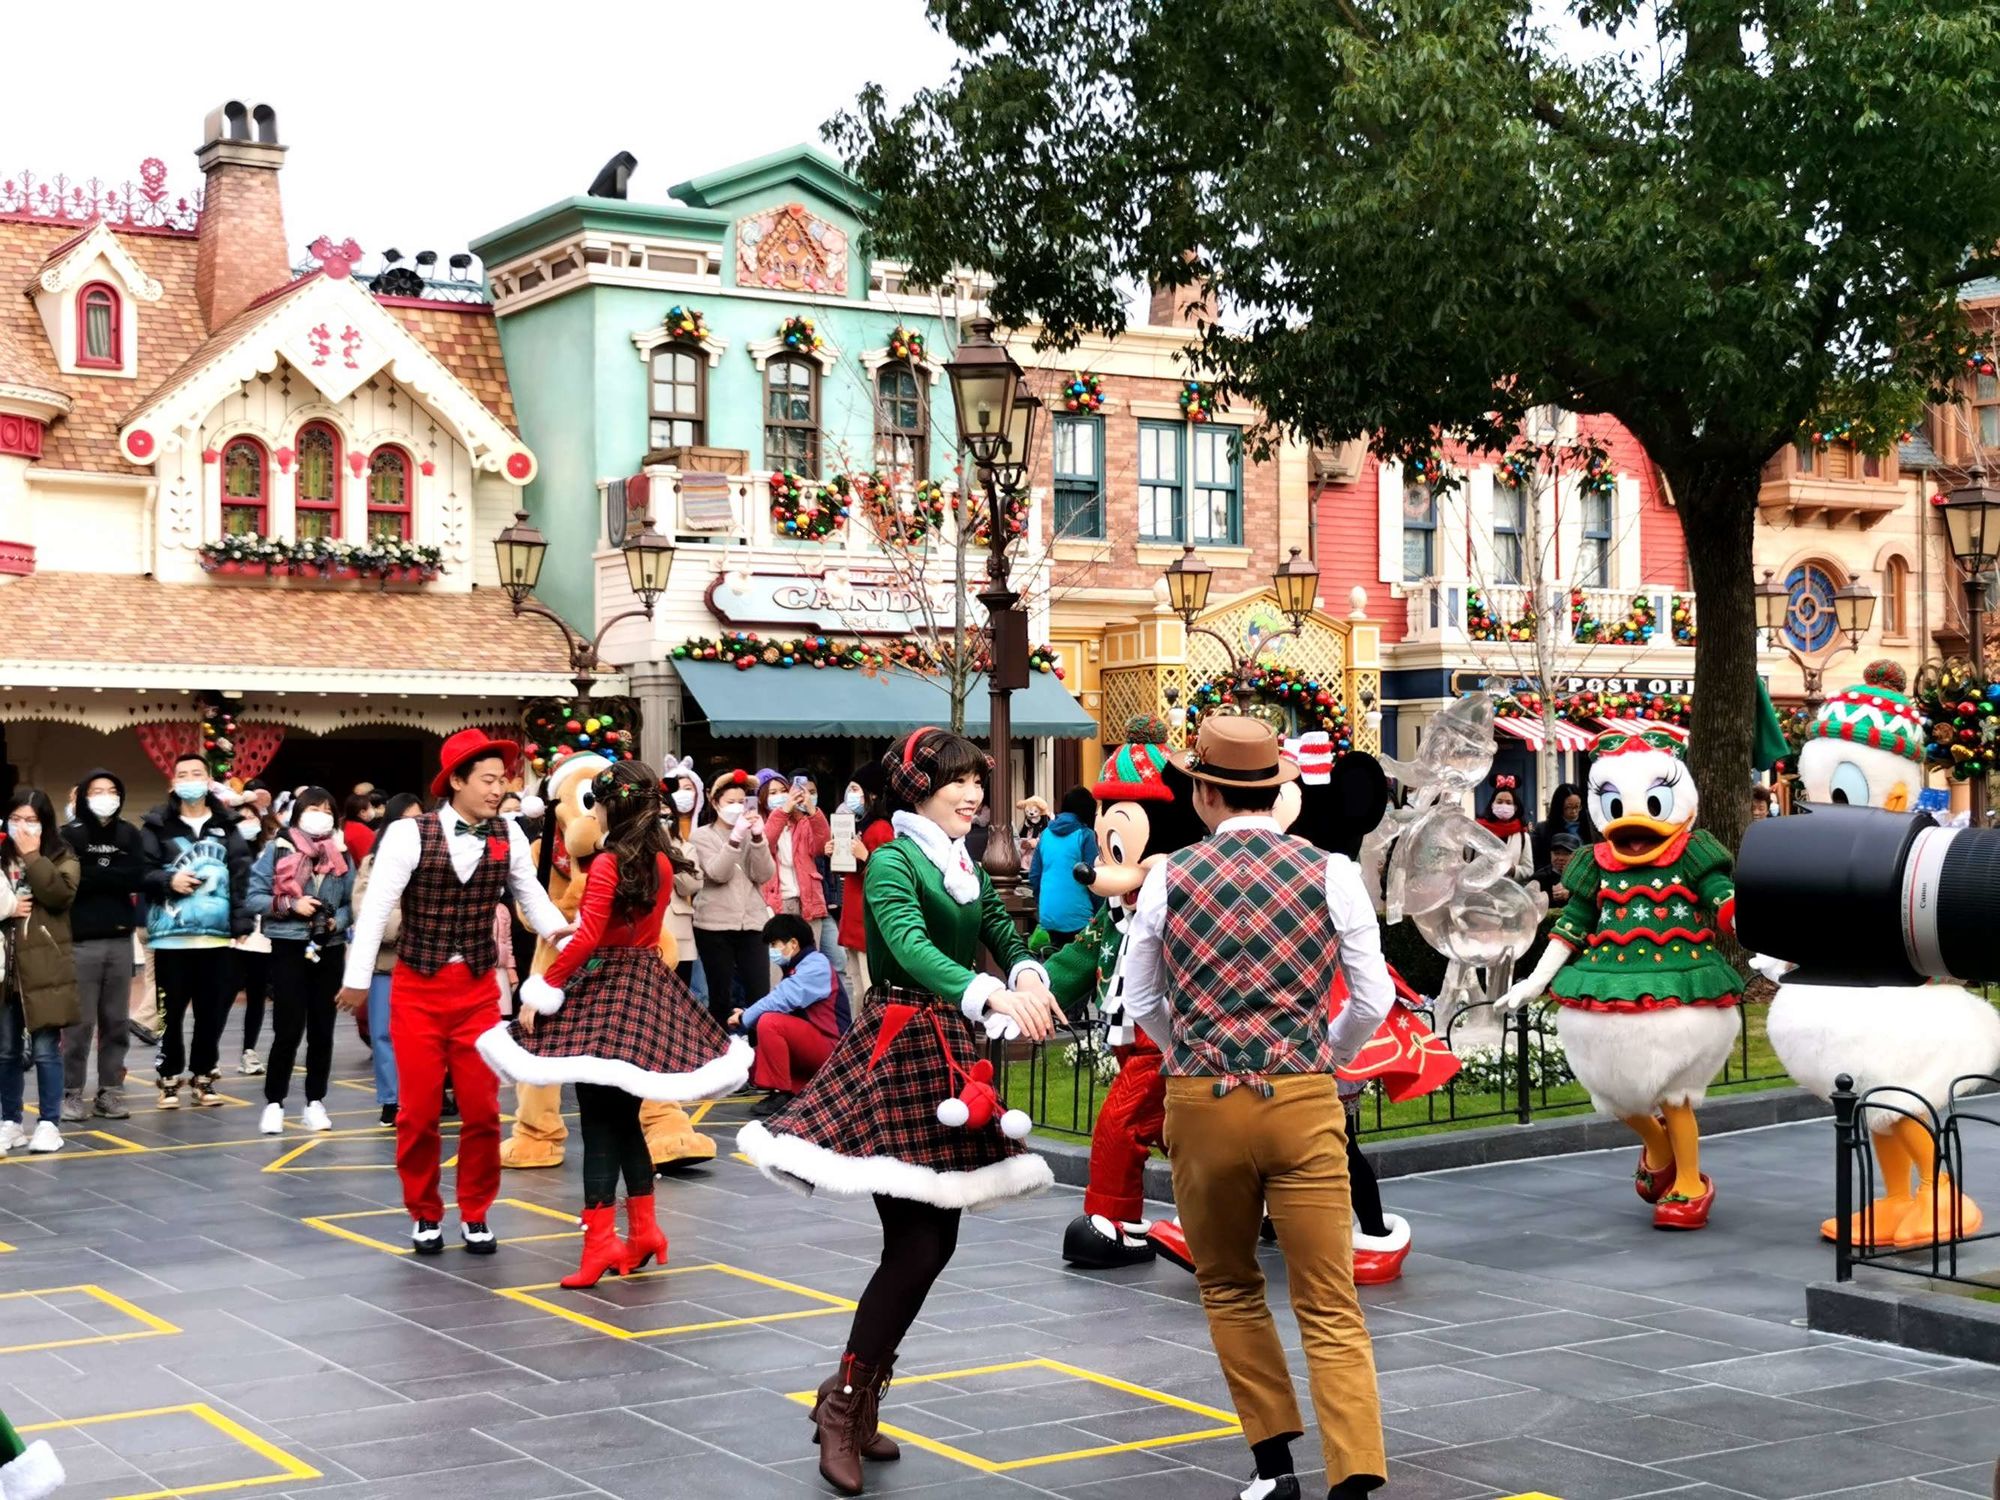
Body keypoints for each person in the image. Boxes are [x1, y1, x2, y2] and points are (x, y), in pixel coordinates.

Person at [738, 727, 1062, 1499]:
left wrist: (1023, 967)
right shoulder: (890, 858)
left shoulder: (957, 860)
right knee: (916, 1247)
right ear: (918, 787)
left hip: (948, 1052)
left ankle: (857, 1396)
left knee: (932, 1245)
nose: (975, 794)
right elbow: (911, 948)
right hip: (900, 1050)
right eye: (958, 781)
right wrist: (989, 992)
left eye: (979, 782)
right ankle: (846, 1405)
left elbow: (997, 927)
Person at [1119, 715, 1391, 1500]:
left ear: (1203, 793)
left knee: (1231, 1284)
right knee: (1327, 1295)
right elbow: (1370, 997)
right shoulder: (1331, 871)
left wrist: (1188, 1051)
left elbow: (1142, 996)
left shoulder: (1169, 876)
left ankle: (1274, 1469)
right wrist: (1327, 1055)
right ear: (1279, 791)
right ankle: (1354, 1473)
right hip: (1301, 1095)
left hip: (1203, 1102)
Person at [477, 760, 749, 1289]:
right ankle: (645, 1231)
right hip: (646, 986)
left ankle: (600, 1242)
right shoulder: (661, 862)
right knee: (625, 1120)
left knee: (600, 1121)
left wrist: (544, 988)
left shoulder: (607, 863)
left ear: (607, 806)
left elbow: (589, 937)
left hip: (604, 990)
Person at [336, 731, 571, 1255]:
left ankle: (476, 1211)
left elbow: (529, 893)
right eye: (487, 780)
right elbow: (375, 910)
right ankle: (424, 1211)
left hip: (478, 993)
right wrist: (356, 979)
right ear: (456, 782)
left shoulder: (507, 831)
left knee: (483, 1111)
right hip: (417, 990)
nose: (498, 789)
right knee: (417, 1113)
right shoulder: (407, 834)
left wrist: (562, 932)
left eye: (503, 780)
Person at [140, 755, 254, 1109]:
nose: (190, 780)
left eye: (197, 774)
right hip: (170, 938)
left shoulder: (228, 825)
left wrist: (241, 923)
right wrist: (167, 880)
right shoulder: (157, 825)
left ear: (208, 782)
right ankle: (169, 1078)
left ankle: (204, 1076)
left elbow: (241, 876)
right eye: (182, 774)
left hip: (216, 937)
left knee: (212, 1011)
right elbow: (141, 872)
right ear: (172, 783)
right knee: (169, 1012)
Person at [246, 788, 353, 1136]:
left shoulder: (341, 853)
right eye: (313, 809)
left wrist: (340, 918)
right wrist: (292, 906)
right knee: (288, 1027)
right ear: (298, 813)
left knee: (323, 1028)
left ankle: (315, 1102)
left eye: (327, 809)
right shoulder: (278, 849)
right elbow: (254, 897)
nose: (320, 814)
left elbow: (354, 899)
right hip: (289, 945)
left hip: (329, 945)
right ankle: (274, 1102)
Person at [59, 770, 145, 1122]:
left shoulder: (129, 833)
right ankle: (71, 1093)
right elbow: (71, 881)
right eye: (97, 790)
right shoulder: (68, 835)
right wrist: (110, 874)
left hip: (119, 939)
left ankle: (110, 1091)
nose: (106, 795)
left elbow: (136, 875)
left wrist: (95, 872)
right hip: (80, 942)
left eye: (112, 790)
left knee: (116, 1022)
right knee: (78, 1025)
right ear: (83, 796)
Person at [0, 791, 79, 1156]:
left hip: (45, 966)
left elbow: (59, 895)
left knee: (47, 1050)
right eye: (16, 818)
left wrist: (32, 855)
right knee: (5, 1051)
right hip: (5, 968)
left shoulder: (62, 855)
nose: (23, 826)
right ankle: (9, 1122)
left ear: (45, 823)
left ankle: (49, 1123)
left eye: (31, 819)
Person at [733, 912, 850, 1116]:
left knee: (770, 1022)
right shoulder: (799, 966)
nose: (772, 951)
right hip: (817, 1044)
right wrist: (747, 1014)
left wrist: (745, 1017)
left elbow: (781, 998)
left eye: (774, 944)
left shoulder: (816, 964)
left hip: (831, 1048)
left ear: (793, 943)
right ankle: (789, 1087)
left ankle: (781, 1093)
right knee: (751, 1064)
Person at [351, 792, 421, 1126]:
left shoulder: (435, 858)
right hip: (387, 961)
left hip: (426, 960)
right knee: (383, 1032)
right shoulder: (373, 861)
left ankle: (425, 1094)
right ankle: (391, 1099)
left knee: (423, 1034)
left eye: (420, 819)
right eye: (407, 819)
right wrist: (408, 925)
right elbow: (365, 908)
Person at [692, 769, 776, 1026]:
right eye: (730, 802)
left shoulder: (752, 833)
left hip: (752, 923)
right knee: (720, 998)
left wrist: (759, 838)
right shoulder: (701, 836)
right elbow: (718, 873)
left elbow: (763, 874)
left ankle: (758, 1050)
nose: (737, 807)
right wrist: (735, 839)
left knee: (760, 994)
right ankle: (720, 1053)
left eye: (741, 802)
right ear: (715, 802)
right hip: (714, 926)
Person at [834, 764, 893, 1003]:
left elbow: (888, 877)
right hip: (854, 920)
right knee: (857, 989)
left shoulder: (881, 828)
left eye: (856, 789)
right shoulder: (861, 825)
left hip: (866, 923)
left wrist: (865, 856)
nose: (851, 795)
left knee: (868, 990)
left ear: (873, 794)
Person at [232, 795, 276, 1078]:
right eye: (242, 817)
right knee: (222, 997)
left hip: (260, 936)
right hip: (232, 936)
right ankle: (207, 1058)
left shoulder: (267, 852)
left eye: (252, 816)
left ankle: (249, 1051)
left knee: (257, 996)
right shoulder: (227, 852)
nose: (248, 822)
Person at [1028, 786, 1100, 946]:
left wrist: (1044, 902)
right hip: (1079, 917)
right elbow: (1094, 877)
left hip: (1048, 914)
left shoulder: (1045, 834)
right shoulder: (1085, 835)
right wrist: (1100, 912)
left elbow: (1034, 875)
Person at [661, 761, 704, 990]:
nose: (660, 815)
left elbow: (691, 885)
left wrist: (669, 852)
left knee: (681, 996)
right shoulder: (636, 846)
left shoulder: (685, 847)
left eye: (665, 809)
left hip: (678, 933)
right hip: (647, 937)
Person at [1529, 780, 1593, 877]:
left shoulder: (1591, 827)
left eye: (1577, 807)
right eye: (1569, 807)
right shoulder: (1543, 830)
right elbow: (1536, 862)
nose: (1574, 811)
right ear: (1559, 807)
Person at [1532, 828, 1581, 901]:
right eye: (1557, 853)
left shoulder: (1583, 877)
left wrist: (1570, 895)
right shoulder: (1539, 879)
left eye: (1566, 854)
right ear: (1550, 854)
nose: (1560, 858)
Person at [342, 792, 380, 864]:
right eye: (371, 807)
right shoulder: (361, 832)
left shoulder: (346, 825)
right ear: (362, 812)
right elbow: (369, 862)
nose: (373, 810)